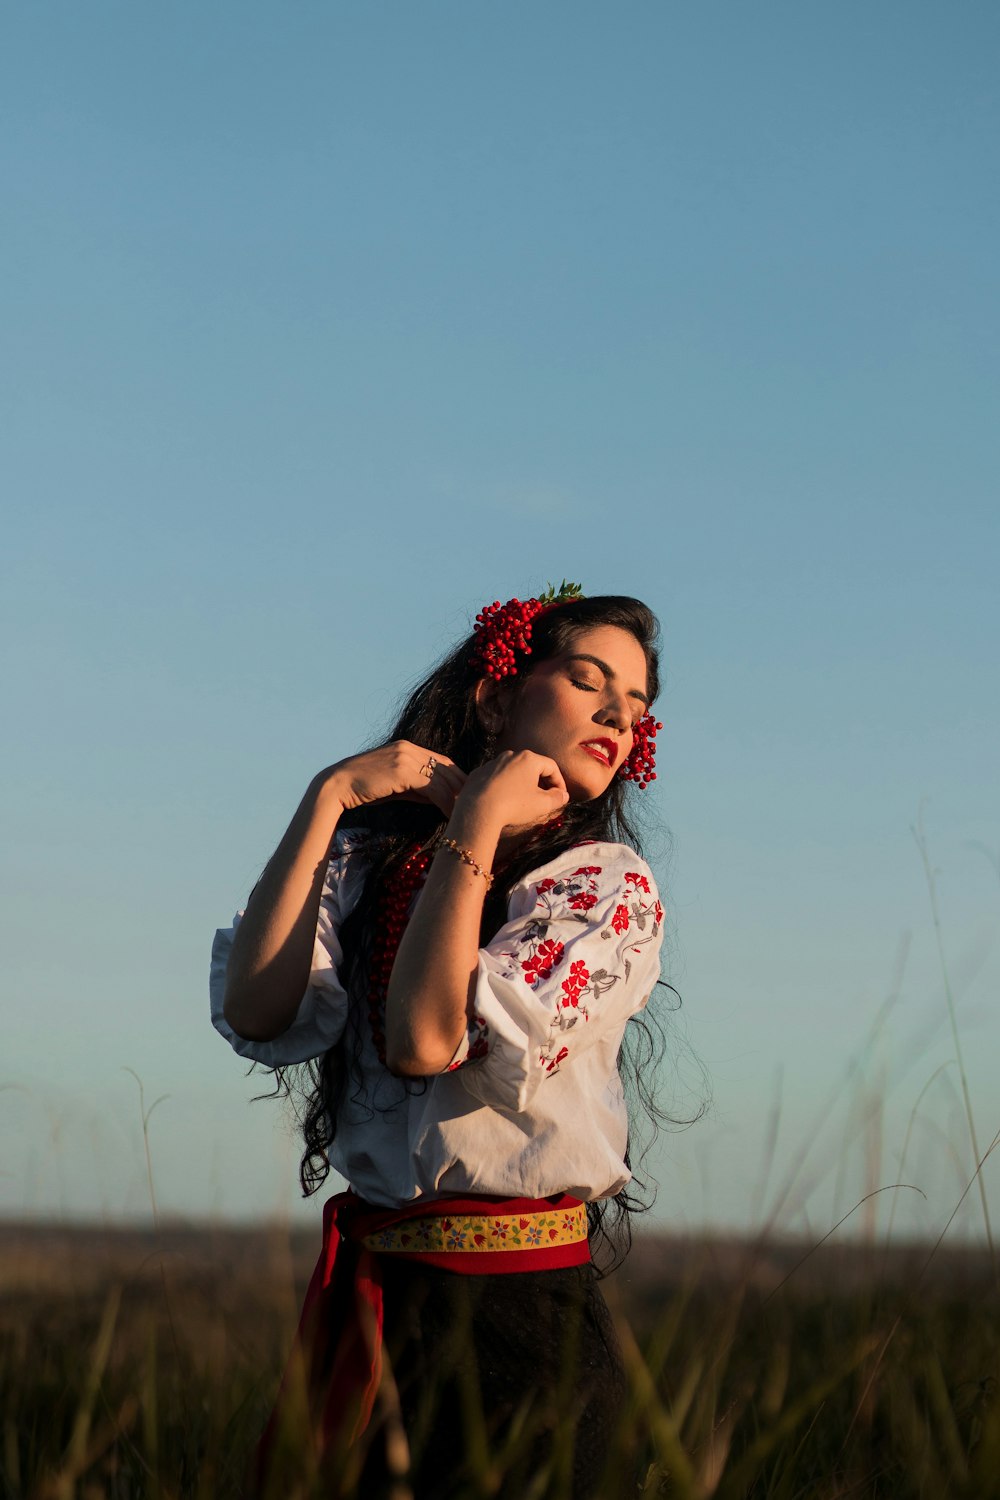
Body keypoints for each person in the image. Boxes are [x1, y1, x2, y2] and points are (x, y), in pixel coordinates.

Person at [210, 587, 670, 1499]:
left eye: (638, 705)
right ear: (496, 698)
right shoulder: (375, 863)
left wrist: (475, 825)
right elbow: (259, 1007)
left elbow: (426, 1040)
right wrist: (330, 796)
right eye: (591, 682)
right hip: (379, 1312)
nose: (619, 714)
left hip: (524, 1328)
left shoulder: (602, 892)